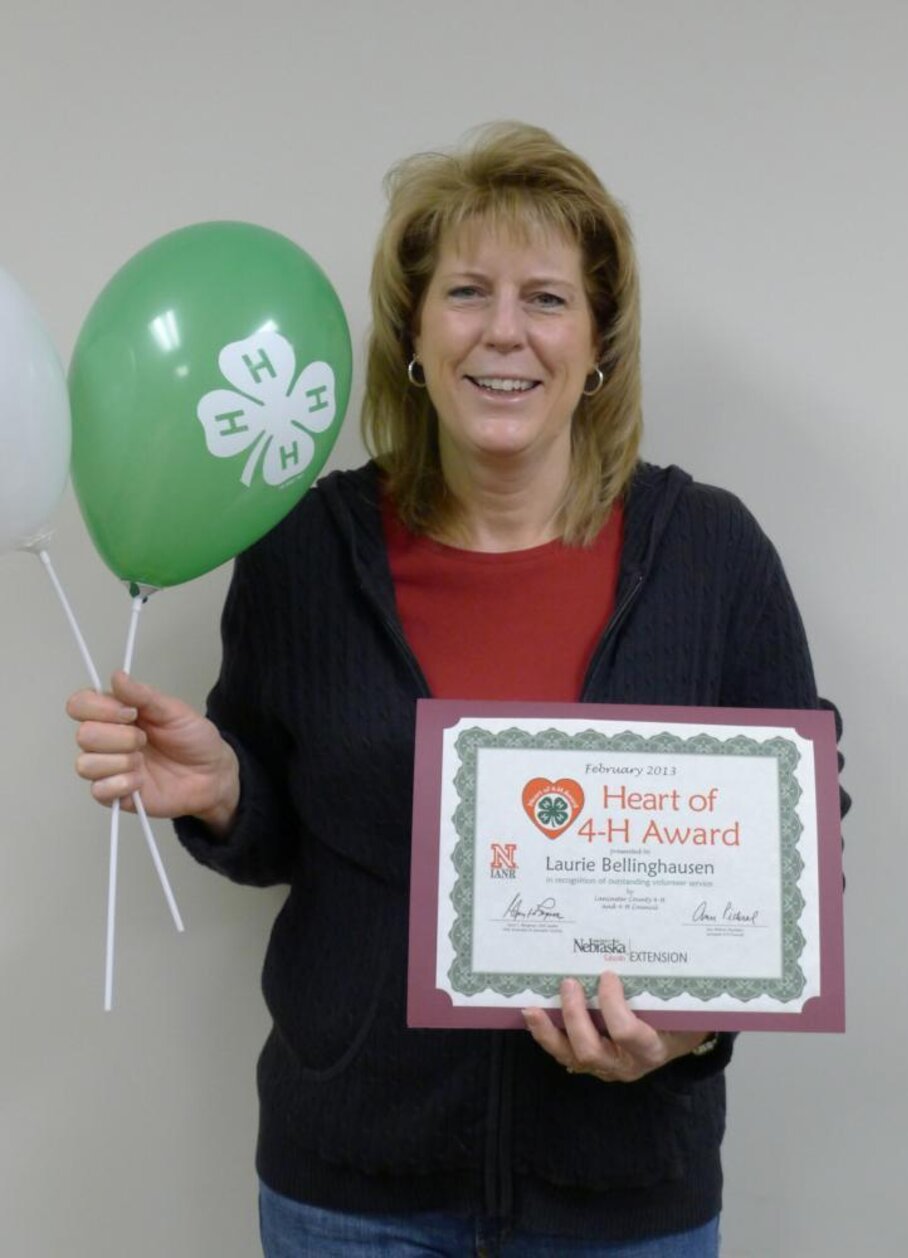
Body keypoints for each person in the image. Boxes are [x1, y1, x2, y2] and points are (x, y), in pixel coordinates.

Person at [68, 122, 843, 1257]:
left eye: (547, 298)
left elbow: (802, 841)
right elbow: (287, 829)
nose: (504, 333)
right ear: (416, 336)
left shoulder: (713, 556)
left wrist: (685, 1034)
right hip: (352, 1194)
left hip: (625, 1195)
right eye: (467, 291)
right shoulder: (303, 553)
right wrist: (227, 788)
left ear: (600, 345)